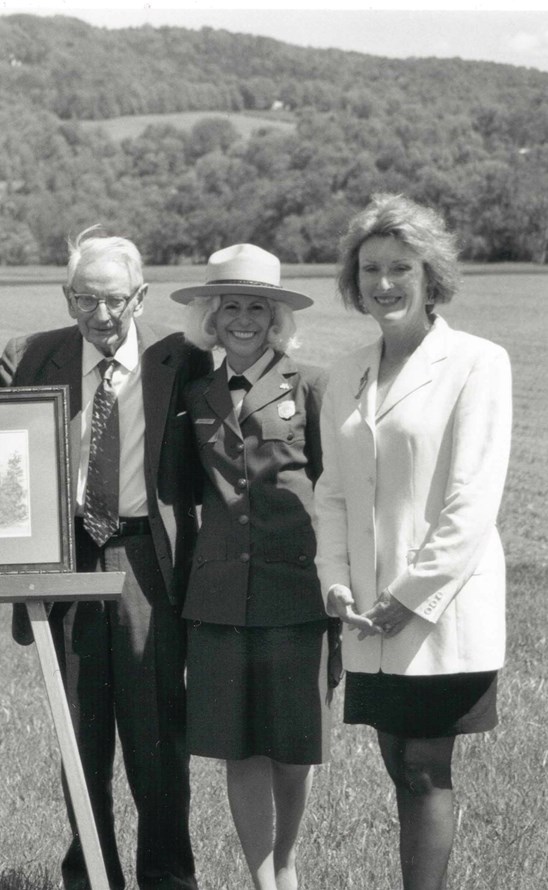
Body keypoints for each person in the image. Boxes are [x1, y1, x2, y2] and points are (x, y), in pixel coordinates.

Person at [0, 224, 211, 890]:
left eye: (116, 300)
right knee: (79, 734)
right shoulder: (28, 357)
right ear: (67, 294)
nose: (102, 316)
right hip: (68, 559)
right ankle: (91, 877)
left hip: (147, 562)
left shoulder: (180, 359)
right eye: (86, 299)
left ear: (140, 296)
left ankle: (167, 876)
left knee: (158, 736)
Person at [315, 194, 512, 890]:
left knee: (426, 769)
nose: (385, 283)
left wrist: (408, 597)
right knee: (399, 766)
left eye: (402, 267)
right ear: (353, 278)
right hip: (368, 614)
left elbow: (471, 503)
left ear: (432, 275)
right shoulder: (346, 373)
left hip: (439, 611)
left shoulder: (477, 364)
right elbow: (332, 493)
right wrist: (335, 580)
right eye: (370, 268)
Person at [172, 244, 334, 890]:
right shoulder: (194, 395)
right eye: (230, 306)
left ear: (277, 321)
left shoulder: (312, 386)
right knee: (238, 745)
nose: (243, 319)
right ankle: (263, 881)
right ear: (210, 318)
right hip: (218, 597)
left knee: (294, 746)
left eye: (257, 308)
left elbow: (334, 484)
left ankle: (287, 861)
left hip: (295, 590)